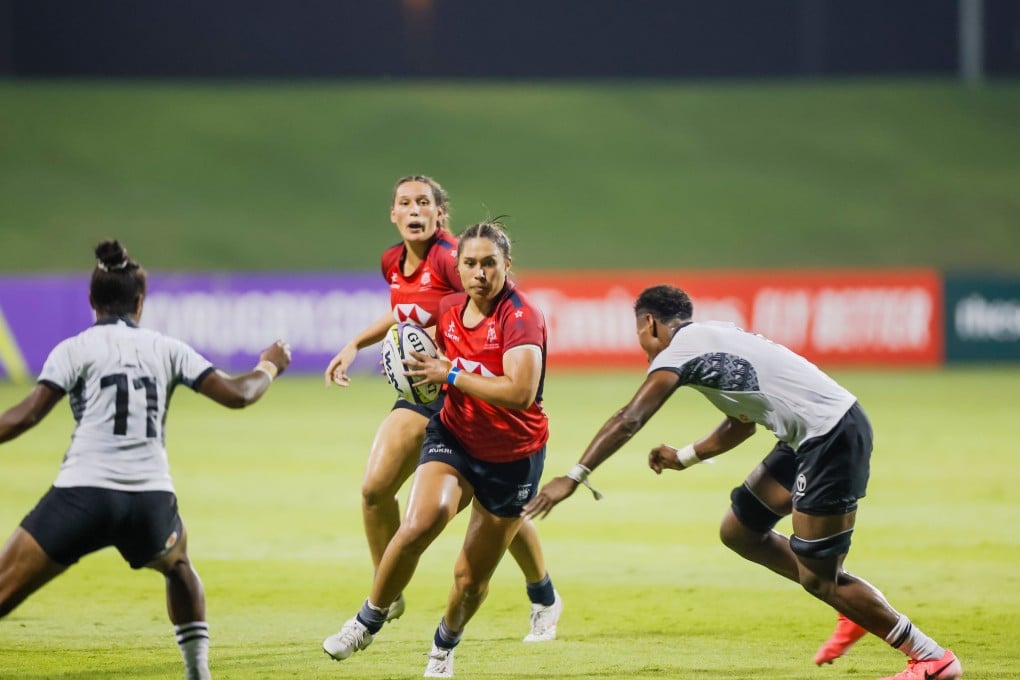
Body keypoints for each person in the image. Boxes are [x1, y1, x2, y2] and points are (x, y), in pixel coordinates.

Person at [523, 284, 963, 680]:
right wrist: (684, 456)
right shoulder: (713, 340)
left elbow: (630, 418)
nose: (640, 342)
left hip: (831, 435)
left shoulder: (680, 349)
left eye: (638, 331)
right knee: (740, 530)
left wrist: (575, 476)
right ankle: (850, 600)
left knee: (817, 578)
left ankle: (931, 658)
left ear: (650, 323)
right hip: (804, 438)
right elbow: (741, 424)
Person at [0, 240, 291, 680]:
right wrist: (269, 365)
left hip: (82, 495)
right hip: (149, 500)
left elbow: (24, 417)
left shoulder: (74, 349)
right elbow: (238, 394)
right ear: (141, 301)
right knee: (179, 568)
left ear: (91, 300)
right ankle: (199, 675)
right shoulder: (167, 348)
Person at [323, 176, 561, 641]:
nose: (414, 210)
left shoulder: (454, 259)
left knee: (498, 507)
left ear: (439, 214)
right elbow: (405, 311)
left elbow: (489, 299)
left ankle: (542, 592)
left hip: (462, 388)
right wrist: (356, 342)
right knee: (375, 490)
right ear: (392, 213)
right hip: (429, 387)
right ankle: (386, 594)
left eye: (424, 202)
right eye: (404, 203)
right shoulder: (393, 261)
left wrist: (464, 366)